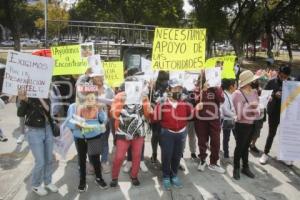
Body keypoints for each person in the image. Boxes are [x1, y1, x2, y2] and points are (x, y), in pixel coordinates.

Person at [152, 79, 203, 190]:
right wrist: (150, 109)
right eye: (175, 88)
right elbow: (154, 119)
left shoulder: (184, 102)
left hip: (181, 134)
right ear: (169, 89)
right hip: (167, 134)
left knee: (177, 156)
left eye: (179, 88)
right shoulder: (162, 102)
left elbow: (190, 116)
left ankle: (174, 175)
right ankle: (166, 177)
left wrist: (197, 109)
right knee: (167, 156)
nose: (177, 90)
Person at [110, 77, 152, 187]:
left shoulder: (143, 96)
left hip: (139, 132)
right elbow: (113, 114)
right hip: (123, 132)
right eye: (130, 84)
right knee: (119, 157)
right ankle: (114, 177)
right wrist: (121, 102)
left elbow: (147, 115)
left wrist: (147, 105)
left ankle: (134, 175)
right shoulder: (119, 96)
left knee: (137, 156)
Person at [67, 86, 109, 192]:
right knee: (81, 159)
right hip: (80, 137)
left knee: (95, 158)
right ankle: (82, 181)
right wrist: (77, 125)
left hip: (94, 136)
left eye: (90, 94)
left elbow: (103, 120)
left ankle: (99, 178)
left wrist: (100, 110)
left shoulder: (96, 105)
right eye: (84, 94)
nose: (87, 96)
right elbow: (68, 122)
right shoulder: (73, 106)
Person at [17, 90, 58, 196]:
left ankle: (48, 182)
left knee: (49, 159)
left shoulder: (44, 93)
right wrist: (23, 100)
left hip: (48, 129)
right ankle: (35, 185)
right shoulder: (26, 94)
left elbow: (48, 110)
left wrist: (40, 96)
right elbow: (20, 113)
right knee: (40, 161)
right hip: (34, 131)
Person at [259, 65, 291, 165]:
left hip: (287, 112)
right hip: (274, 112)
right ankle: (265, 153)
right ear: (278, 73)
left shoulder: (291, 83)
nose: (283, 78)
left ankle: (284, 156)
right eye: (282, 76)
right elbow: (263, 94)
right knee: (271, 133)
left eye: (286, 77)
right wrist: (274, 94)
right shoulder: (271, 82)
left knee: (285, 134)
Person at [194, 72, 225, 173]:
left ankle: (213, 163)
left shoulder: (217, 87)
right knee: (202, 141)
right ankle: (202, 160)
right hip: (201, 120)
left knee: (215, 141)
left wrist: (216, 88)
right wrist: (202, 90)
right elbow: (195, 100)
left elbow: (222, 99)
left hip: (214, 119)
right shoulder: (198, 88)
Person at [232, 70, 260, 180]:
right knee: (240, 147)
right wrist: (250, 108)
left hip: (252, 123)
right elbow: (238, 115)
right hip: (241, 125)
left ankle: (245, 167)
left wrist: (256, 109)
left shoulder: (254, 92)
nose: (253, 82)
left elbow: (258, 109)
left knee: (246, 147)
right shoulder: (237, 94)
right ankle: (236, 168)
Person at [220, 79, 237, 161]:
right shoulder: (224, 95)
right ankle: (226, 155)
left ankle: (237, 153)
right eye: (235, 85)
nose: (236, 87)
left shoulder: (232, 94)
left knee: (237, 137)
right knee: (226, 138)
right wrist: (234, 115)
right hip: (227, 120)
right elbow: (225, 110)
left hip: (233, 118)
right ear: (231, 86)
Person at [249, 80, 266, 153]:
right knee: (250, 132)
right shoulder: (248, 93)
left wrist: (268, 99)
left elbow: (265, 101)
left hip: (260, 116)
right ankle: (248, 144)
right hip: (251, 116)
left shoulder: (262, 91)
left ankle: (252, 145)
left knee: (257, 132)